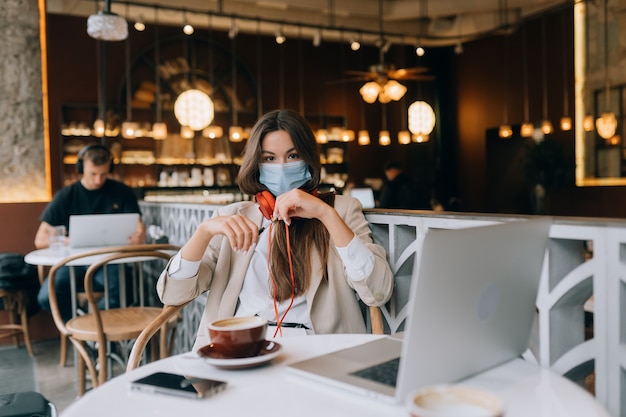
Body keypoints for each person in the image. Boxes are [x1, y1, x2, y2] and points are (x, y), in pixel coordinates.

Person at [156, 109, 394, 349]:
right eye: (269, 158)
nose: (281, 166)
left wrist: (325, 213)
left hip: (318, 350)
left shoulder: (340, 210)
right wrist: (203, 232)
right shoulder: (232, 217)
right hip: (241, 347)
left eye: (292, 156)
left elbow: (378, 291)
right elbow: (174, 295)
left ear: (308, 159)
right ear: (256, 164)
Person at [35, 143, 146, 322]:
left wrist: (139, 235)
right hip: (73, 262)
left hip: (111, 260)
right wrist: (68, 241)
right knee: (47, 296)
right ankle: (80, 331)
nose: (98, 180)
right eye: (92, 174)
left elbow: (139, 228)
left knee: (124, 291)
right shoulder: (66, 196)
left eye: (103, 174)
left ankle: (97, 334)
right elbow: (40, 240)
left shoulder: (122, 192)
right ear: (81, 169)